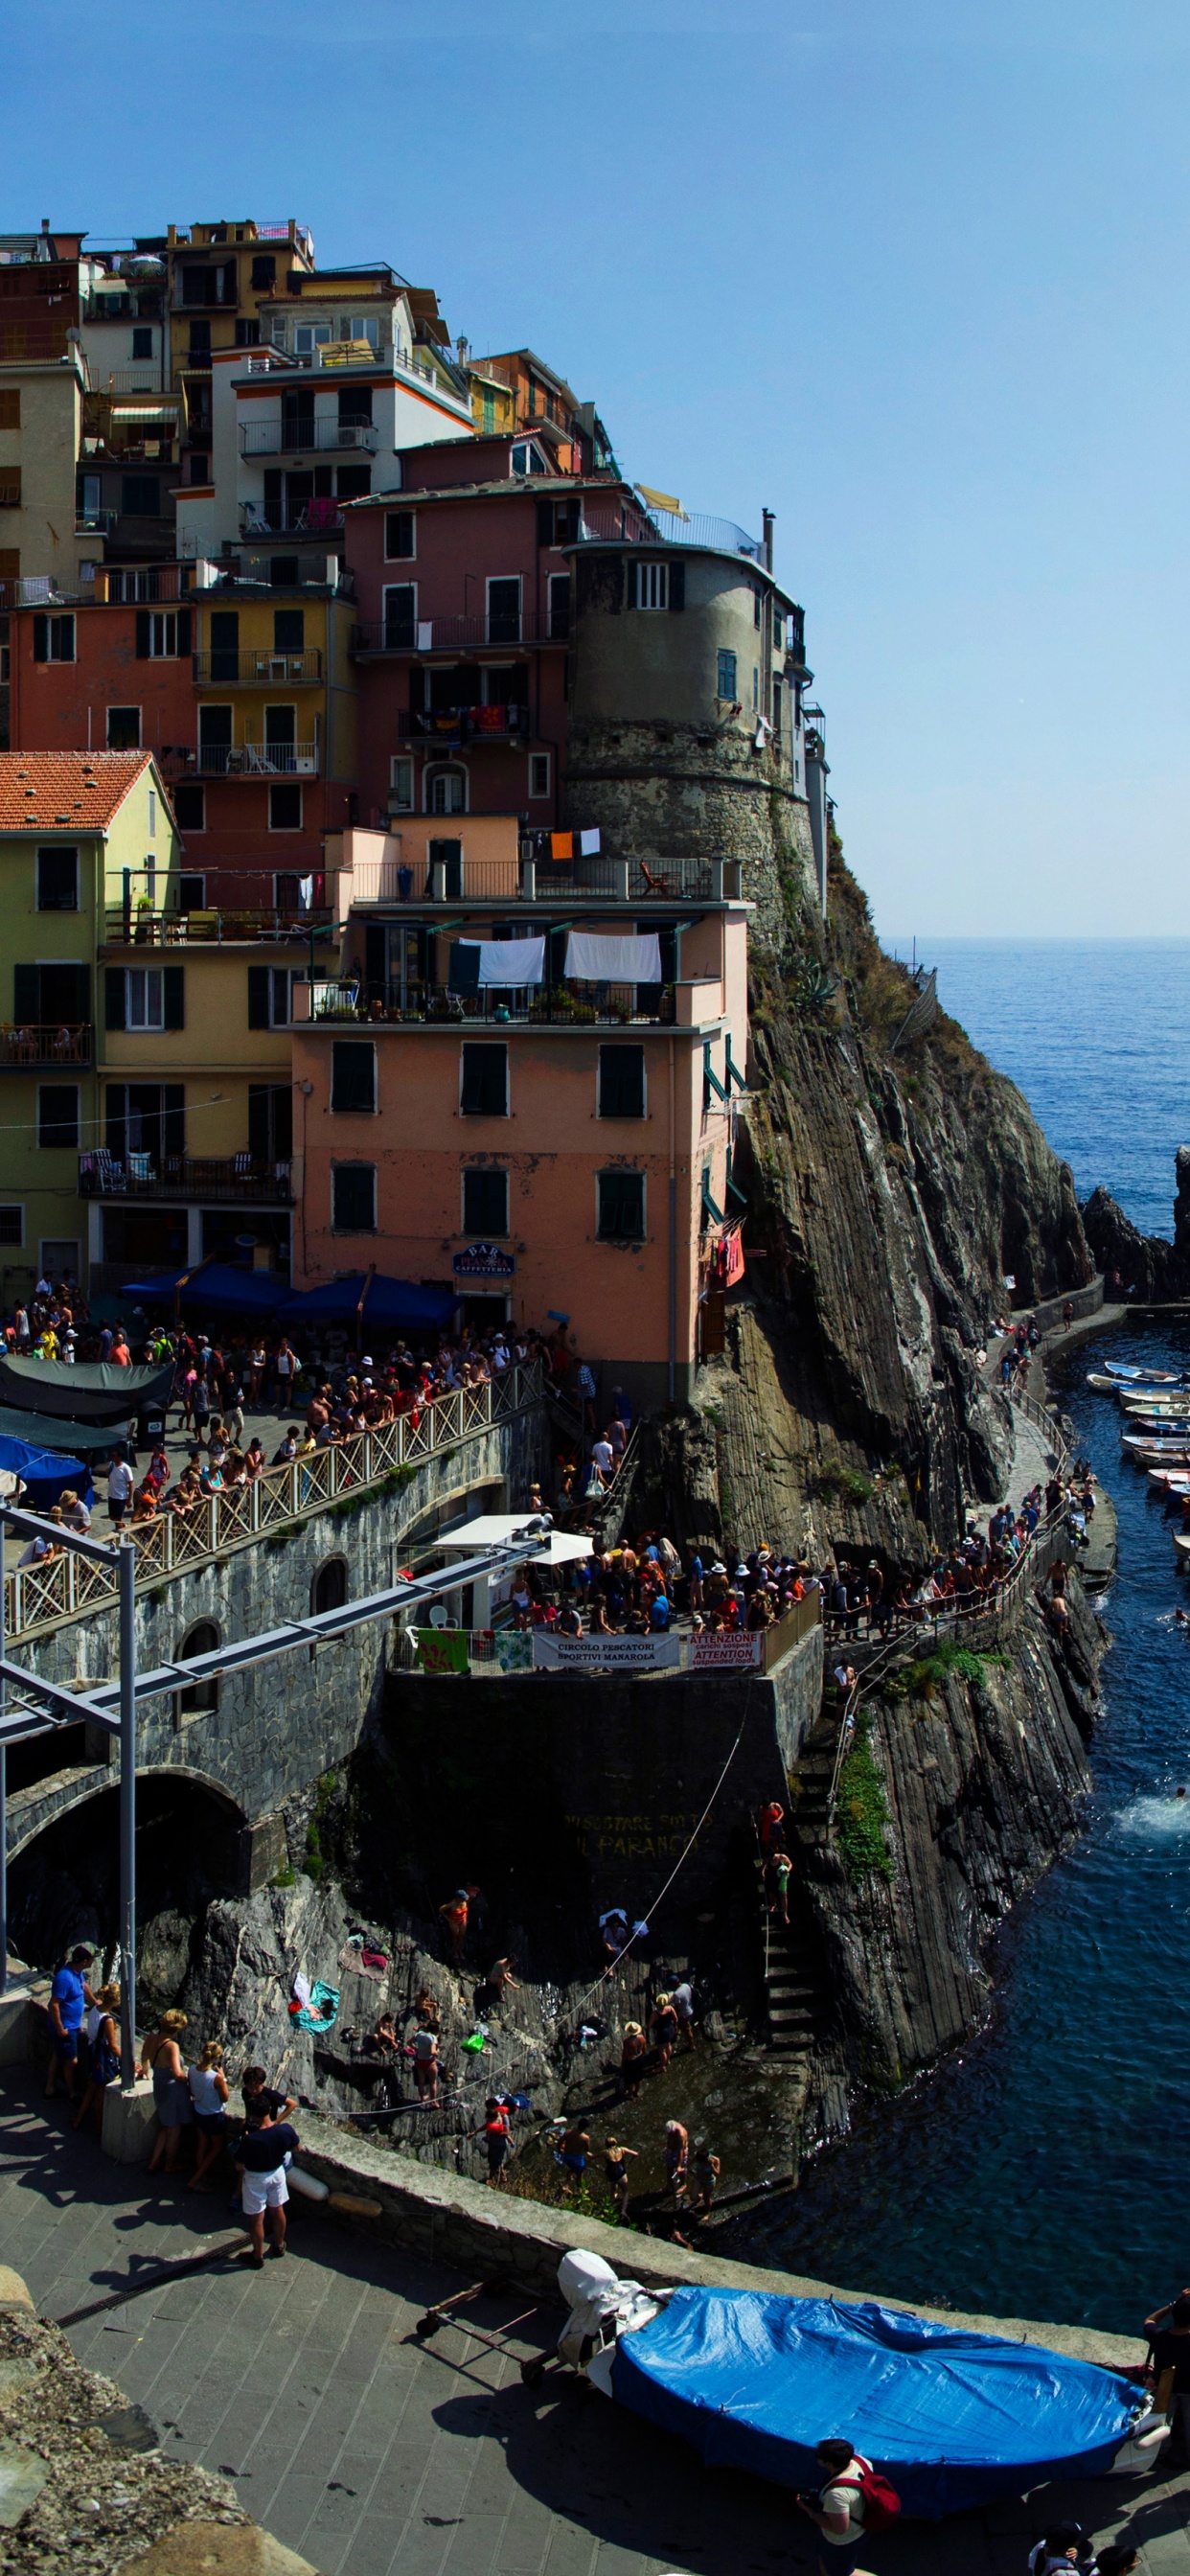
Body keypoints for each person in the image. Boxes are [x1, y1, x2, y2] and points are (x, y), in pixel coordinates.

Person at [796, 2439, 877, 2574]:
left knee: (839, 2571)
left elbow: (839, 2529)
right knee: (825, 2560)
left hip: (843, 2541)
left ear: (828, 2463)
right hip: (863, 2522)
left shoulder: (837, 2494)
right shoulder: (862, 2462)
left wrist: (811, 2512)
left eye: (819, 2456)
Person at [236, 2100, 300, 2267]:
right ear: (269, 2110)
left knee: (256, 2219)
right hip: (277, 2173)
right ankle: (279, 2245)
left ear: (251, 2115)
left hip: (256, 2178)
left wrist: (246, 2139)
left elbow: (238, 2165)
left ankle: (257, 2256)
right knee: (278, 2209)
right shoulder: (285, 2130)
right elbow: (297, 2148)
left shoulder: (251, 2140)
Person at [141, 2009, 194, 2174]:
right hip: (173, 2091)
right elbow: (177, 2073)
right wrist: (191, 2079)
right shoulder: (172, 2046)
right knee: (174, 2132)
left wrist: (145, 2070)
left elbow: (144, 2056)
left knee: (166, 2127)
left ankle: (153, 2163)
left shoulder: (151, 2038)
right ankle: (169, 2165)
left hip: (159, 2084)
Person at [45, 1944, 96, 2101]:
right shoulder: (65, 1978)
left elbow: (84, 1986)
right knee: (71, 2060)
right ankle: (72, 2093)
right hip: (67, 2027)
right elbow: (53, 2005)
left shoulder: (76, 1972)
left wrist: (94, 2002)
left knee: (58, 2055)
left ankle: (50, 2088)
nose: (92, 1962)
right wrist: (60, 2028)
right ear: (84, 1961)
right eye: (91, 1960)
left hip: (69, 2025)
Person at [70, 1979, 120, 2130]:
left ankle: (78, 2119)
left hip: (91, 2051)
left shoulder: (95, 2008)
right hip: (101, 2057)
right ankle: (99, 2126)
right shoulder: (108, 2020)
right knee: (100, 2093)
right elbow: (112, 2045)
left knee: (91, 2087)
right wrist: (128, 2061)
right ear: (116, 2001)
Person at [1143, 2288, 1190, 2449]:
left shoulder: (1158, 2336)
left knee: (1162, 2423)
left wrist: (1173, 2305)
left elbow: (1150, 2320)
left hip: (1164, 2388)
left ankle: (1160, 2453)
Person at [188, 2040, 231, 2191]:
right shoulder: (215, 2078)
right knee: (217, 2148)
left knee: (202, 2144)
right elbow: (225, 2098)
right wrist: (223, 2078)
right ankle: (195, 2179)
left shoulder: (192, 2069)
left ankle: (202, 2176)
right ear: (216, 2057)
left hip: (199, 2110)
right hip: (213, 2115)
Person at [603, 2136, 639, 2217]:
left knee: (613, 2187)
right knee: (626, 2191)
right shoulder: (622, 2149)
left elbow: (592, 2156)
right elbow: (636, 2154)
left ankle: (610, 2206)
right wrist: (630, 2162)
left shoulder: (605, 2152)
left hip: (610, 2173)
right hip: (621, 2172)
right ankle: (623, 2211)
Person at [482, 2096, 511, 2183]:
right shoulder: (491, 2116)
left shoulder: (504, 2117)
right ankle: (502, 2177)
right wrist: (475, 2132)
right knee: (492, 2161)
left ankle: (491, 2179)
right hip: (492, 2142)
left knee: (496, 2162)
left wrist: (495, 2133)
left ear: (493, 2107)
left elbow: (506, 2132)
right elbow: (486, 2125)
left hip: (500, 2144)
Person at [558, 2118, 590, 2192]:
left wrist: (560, 2150)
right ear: (585, 2127)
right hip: (577, 2160)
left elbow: (559, 2143)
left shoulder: (567, 2133)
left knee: (572, 2168)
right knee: (580, 2175)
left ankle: (567, 2180)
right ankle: (580, 2190)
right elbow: (587, 2149)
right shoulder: (585, 2138)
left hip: (566, 2156)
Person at [650, 1993, 678, 2072]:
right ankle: (667, 2060)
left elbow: (649, 2025)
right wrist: (675, 2026)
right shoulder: (670, 2008)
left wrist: (644, 2027)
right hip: (670, 2029)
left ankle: (662, 2067)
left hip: (662, 2033)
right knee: (668, 2044)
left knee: (661, 2051)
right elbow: (676, 2019)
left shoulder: (655, 2014)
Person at [412, 2022, 440, 2102]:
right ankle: (433, 2101)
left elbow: (409, 2043)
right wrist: (437, 2052)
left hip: (420, 2061)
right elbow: (432, 2051)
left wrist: (417, 2048)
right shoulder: (433, 2037)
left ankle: (422, 2098)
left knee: (421, 2082)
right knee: (433, 2082)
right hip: (430, 2062)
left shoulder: (419, 2034)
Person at [106, 1451, 135, 1528]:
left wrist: (129, 1499)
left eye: (114, 1456)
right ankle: (125, 1526)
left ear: (120, 1457)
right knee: (112, 1517)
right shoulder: (112, 1465)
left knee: (118, 1519)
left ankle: (120, 1535)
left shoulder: (126, 1468)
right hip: (111, 1495)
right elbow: (109, 1475)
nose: (112, 1457)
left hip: (120, 1497)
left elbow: (131, 1484)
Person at [619, 2020, 646, 2100]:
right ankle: (636, 2092)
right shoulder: (642, 2037)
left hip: (631, 2060)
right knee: (639, 2078)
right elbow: (644, 2048)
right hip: (640, 2058)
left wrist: (622, 2064)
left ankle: (630, 2094)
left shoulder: (627, 2041)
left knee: (630, 2080)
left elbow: (625, 2053)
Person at [439, 1889, 468, 1963]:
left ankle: (460, 1951)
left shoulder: (465, 1901)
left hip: (462, 1920)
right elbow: (441, 1909)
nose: (464, 1899)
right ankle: (455, 1951)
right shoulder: (453, 1904)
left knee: (462, 1936)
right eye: (463, 1898)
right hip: (454, 1921)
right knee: (455, 1936)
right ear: (458, 1898)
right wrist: (448, 1919)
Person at [693, 2141, 721, 2214]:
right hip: (699, 2178)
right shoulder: (698, 2157)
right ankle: (699, 2197)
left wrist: (712, 2166)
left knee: (706, 2198)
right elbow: (690, 2163)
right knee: (692, 2197)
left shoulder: (715, 2160)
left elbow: (717, 2173)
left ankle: (707, 2213)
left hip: (709, 2181)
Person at [664, 2118, 688, 2198]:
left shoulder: (680, 2134)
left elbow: (680, 2150)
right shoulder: (672, 2124)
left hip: (679, 2151)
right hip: (671, 2150)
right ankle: (669, 2185)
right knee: (669, 2167)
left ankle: (683, 2184)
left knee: (681, 2169)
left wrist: (679, 2165)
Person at [671, 1977, 697, 2049]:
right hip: (690, 2008)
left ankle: (691, 2046)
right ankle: (677, 2033)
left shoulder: (677, 1994)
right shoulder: (686, 1985)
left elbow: (677, 2007)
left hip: (684, 2014)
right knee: (682, 2026)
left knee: (687, 2029)